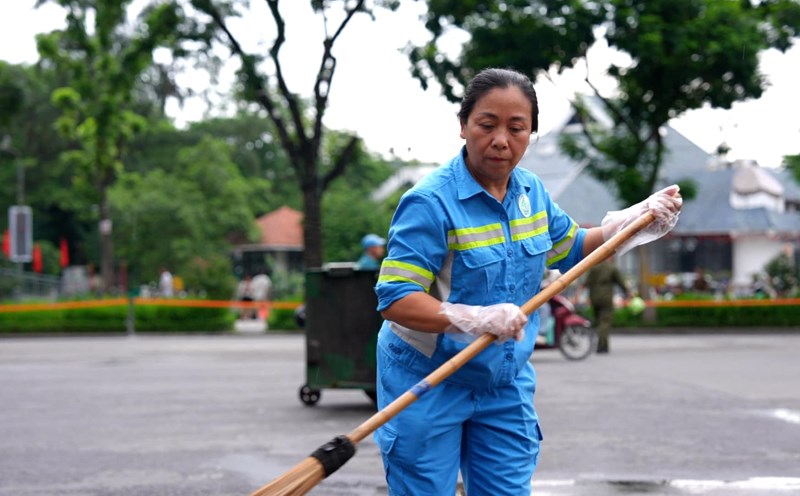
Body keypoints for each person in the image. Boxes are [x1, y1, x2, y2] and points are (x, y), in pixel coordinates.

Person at [372, 67, 682, 496]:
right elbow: (396, 299)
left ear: (531, 133)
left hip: (503, 378)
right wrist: (472, 318)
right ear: (463, 126)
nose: (501, 139)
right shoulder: (429, 202)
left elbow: (571, 246)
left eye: (517, 128)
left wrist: (630, 223)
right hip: (429, 377)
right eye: (487, 125)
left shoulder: (531, 193)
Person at [584, 257, 630, 353]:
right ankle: (602, 346)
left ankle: (603, 344)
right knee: (605, 322)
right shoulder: (611, 268)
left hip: (594, 298)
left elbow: (586, 283)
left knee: (599, 321)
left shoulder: (594, 267)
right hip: (606, 298)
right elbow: (621, 282)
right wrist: (628, 293)